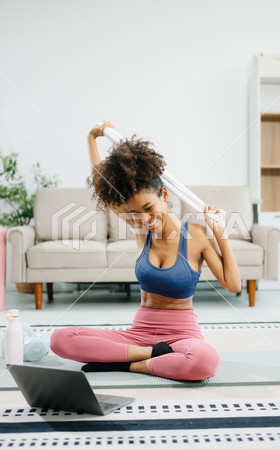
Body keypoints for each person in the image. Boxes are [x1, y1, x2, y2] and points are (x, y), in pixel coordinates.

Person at [50, 122, 241, 381]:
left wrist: (220, 232)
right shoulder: (141, 230)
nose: (145, 218)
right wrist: (91, 138)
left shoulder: (195, 235)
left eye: (149, 208)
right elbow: (103, 185)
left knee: (205, 362)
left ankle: (131, 364)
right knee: (60, 339)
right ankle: (149, 354)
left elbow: (233, 285)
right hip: (138, 334)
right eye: (136, 213)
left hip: (182, 335)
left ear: (164, 193)